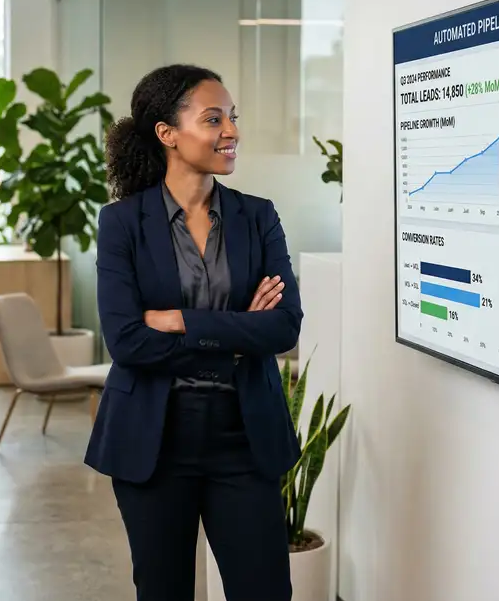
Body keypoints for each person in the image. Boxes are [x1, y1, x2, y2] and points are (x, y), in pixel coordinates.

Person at [84, 64, 303, 601]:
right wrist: (236, 333)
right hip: (153, 439)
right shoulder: (121, 224)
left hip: (244, 437)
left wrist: (184, 320)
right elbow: (127, 341)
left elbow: (283, 325)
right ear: (168, 134)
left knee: (265, 590)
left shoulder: (258, 218)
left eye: (232, 118)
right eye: (213, 118)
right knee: (163, 591)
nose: (231, 131)